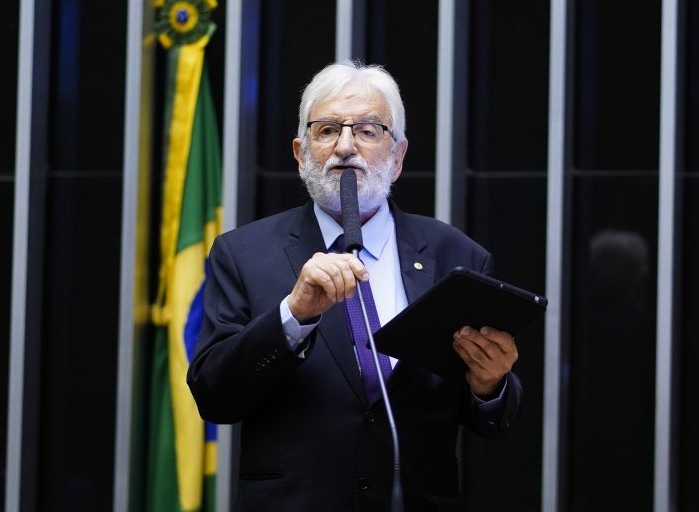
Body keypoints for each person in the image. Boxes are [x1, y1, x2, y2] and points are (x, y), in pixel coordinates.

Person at [187, 60, 522, 511]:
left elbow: (490, 422)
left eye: (367, 130)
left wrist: (491, 385)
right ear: (300, 154)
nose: (345, 147)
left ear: (398, 157)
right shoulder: (243, 253)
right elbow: (215, 397)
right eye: (327, 130)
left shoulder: (457, 257)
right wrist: (293, 316)